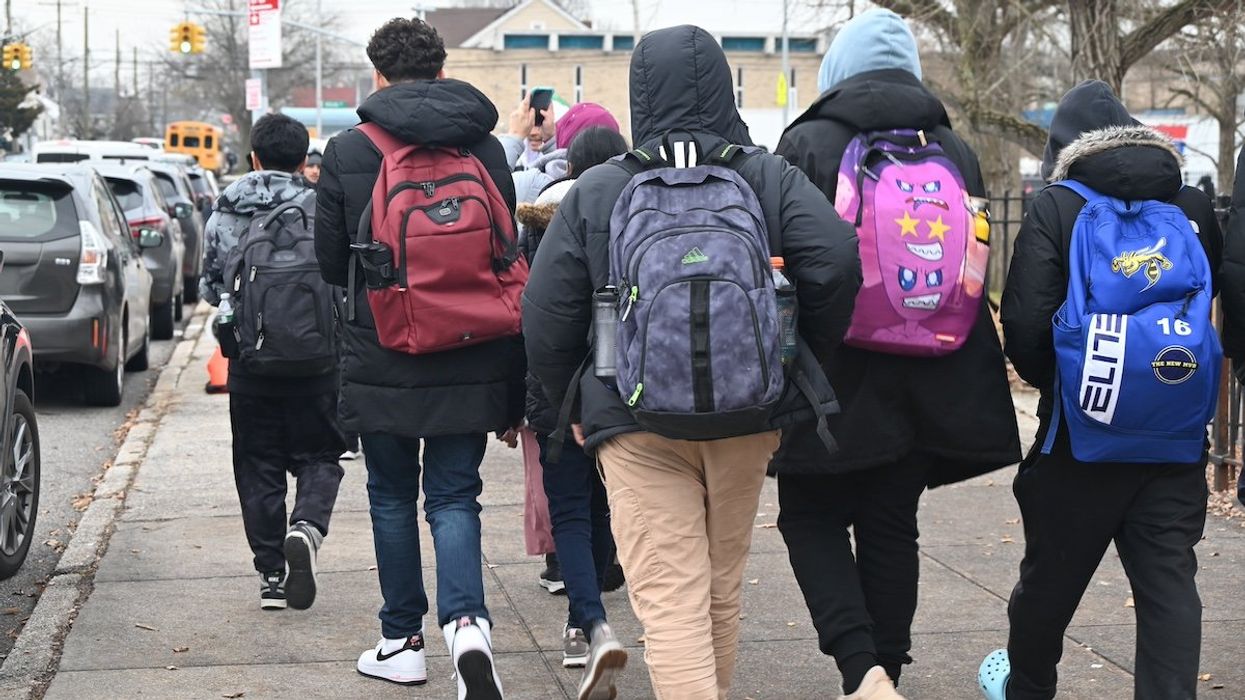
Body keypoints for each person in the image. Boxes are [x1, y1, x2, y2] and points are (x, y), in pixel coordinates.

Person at [524, 25, 861, 700]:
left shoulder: (597, 189)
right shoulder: (766, 177)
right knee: (718, 591)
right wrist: (791, 364)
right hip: (747, 413)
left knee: (670, 597)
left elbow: (545, 314)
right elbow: (836, 262)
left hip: (632, 418)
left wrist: (579, 398)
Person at [771, 10, 1021, 699]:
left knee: (809, 515)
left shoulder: (808, 142)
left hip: (833, 370)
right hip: (932, 368)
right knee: (890, 521)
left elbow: (782, 262)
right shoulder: (951, 146)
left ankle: (863, 671)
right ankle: (888, 667)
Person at [992, 80, 1225, 700]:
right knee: (1170, 585)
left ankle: (1030, 688)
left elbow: (1023, 321)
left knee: (1048, 584)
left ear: (1062, 150)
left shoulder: (1057, 205)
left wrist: (1069, 383)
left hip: (1080, 439)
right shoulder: (1192, 207)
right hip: (1174, 441)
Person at [314, 17, 523, 697]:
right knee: (456, 494)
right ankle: (468, 628)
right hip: (473, 344)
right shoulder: (484, 146)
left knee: (391, 495)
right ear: (442, 70)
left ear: (377, 74)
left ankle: (401, 641)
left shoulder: (349, 149)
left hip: (383, 351)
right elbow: (505, 248)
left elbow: (327, 262)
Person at [199, 113, 346, 613]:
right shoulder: (322, 205)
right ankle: (306, 527)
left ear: (254, 158)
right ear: (304, 159)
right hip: (319, 361)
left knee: (257, 463)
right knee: (322, 455)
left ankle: (271, 574)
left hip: (250, 364)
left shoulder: (225, 210)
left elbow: (210, 288)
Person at [516, 126, 629, 675]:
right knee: (604, 503)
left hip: (554, 385)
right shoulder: (638, 205)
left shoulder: (539, 218)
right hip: (619, 382)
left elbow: (528, 308)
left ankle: (587, 623)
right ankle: (587, 618)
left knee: (568, 511)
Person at [500, 94, 556, 170]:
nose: (534, 132)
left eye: (539, 123)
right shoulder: (514, 158)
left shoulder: (557, 166)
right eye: (530, 123)